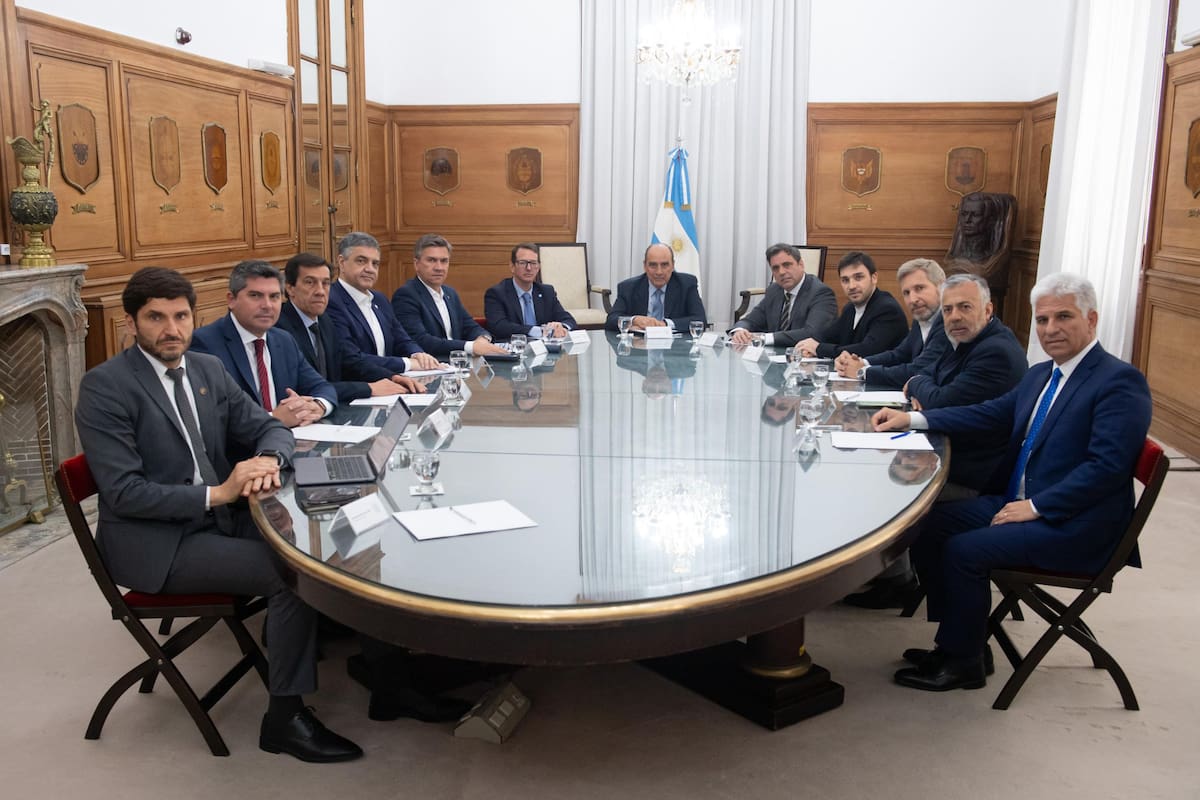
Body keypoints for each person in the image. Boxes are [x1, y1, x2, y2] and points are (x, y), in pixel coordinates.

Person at [74, 267, 361, 762]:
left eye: (181, 316)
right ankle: (284, 719)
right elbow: (123, 494)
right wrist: (220, 493)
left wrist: (271, 458)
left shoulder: (206, 368)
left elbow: (267, 428)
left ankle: (372, 662)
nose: (171, 329)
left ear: (194, 317)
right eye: (156, 317)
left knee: (322, 530)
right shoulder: (105, 387)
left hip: (217, 520)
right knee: (290, 572)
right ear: (129, 324)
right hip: (158, 543)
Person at [872, 273, 1152, 692]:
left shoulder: (1118, 382)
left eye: (1063, 317)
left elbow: (1105, 467)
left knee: (964, 549)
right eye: (1042, 320)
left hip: (1076, 524)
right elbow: (989, 414)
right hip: (1022, 503)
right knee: (927, 524)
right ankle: (963, 641)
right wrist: (912, 418)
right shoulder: (1043, 374)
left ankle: (963, 661)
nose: (1050, 329)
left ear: (1091, 320)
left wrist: (1038, 507)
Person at [842, 274, 1026, 610]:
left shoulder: (995, 351)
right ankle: (895, 579)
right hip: (950, 446)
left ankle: (898, 582)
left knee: (885, 488)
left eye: (964, 307)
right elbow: (929, 379)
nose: (954, 316)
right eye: (949, 309)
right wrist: (922, 389)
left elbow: (936, 395)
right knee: (878, 470)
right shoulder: (964, 340)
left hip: (974, 470)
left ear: (988, 310)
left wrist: (918, 387)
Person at [191, 260, 336, 429]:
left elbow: (321, 386)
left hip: (289, 443)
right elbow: (213, 417)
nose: (267, 305)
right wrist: (272, 419)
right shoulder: (204, 344)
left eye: (274, 297)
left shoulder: (284, 340)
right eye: (255, 296)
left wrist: (317, 406)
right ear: (231, 300)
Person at [275, 252, 426, 404]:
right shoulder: (280, 329)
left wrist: (392, 377)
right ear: (290, 288)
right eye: (310, 282)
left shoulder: (324, 320)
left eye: (326, 283)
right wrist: (369, 389)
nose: (320, 291)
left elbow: (349, 362)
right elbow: (306, 387)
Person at [325, 231, 443, 376]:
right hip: (360, 388)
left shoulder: (379, 299)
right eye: (361, 261)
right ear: (342, 263)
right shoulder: (331, 301)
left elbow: (402, 338)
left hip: (392, 382)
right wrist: (407, 363)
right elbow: (350, 358)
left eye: (375, 263)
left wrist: (417, 353)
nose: (369, 269)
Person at [835, 257, 949, 387]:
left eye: (919, 288)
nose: (912, 299)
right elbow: (899, 354)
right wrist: (863, 362)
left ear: (941, 286)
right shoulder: (922, 317)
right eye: (906, 292)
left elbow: (918, 370)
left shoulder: (948, 323)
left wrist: (862, 372)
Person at [394, 234, 510, 357]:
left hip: (458, 366)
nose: (439, 268)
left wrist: (482, 339)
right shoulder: (406, 295)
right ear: (416, 264)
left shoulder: (450, 293)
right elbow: (421, 341)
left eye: (444, 261)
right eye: (432, 260)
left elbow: (470, 326)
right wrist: (471, 347)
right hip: (430, 367)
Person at [794, 251, 908, 359]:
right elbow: (828, 337)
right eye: (845, 280)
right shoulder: (850, 308)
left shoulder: (887, 309)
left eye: (858, 277)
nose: (852, 286)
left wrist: (819, 348)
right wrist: (808, 347)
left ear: (874, 278)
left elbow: (868, 350)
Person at [729, 243, 837, 347]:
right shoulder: (774, 290)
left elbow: (813, 333)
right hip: (774, 357)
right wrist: (740, 331)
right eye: (775, 268)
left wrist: (765, 338)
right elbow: (751, 320)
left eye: (787, 265)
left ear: (801, 265)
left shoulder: (821, 293)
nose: (781, 272)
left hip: (806, 359)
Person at [484, 242, 578, 340]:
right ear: (512, 266)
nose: (529, 268)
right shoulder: (496, 293)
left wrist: (561, 328)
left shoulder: (547, 292)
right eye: (523, 263)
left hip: (545, 349)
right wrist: (539, 331)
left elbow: (569, 320)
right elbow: (499, 327)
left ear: (538, 267)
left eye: (533, 263)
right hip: (514, 348)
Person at [605, 243, 706, 333]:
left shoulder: (686, 284)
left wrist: (665, 324)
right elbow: (611, 321)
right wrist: (634, 320)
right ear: (645, 266)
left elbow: (700, 320)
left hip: (674, 348)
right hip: (639, 348)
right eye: (653, 265)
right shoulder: (628, 288)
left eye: (664, 265)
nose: (659, 272)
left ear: (673, 266)